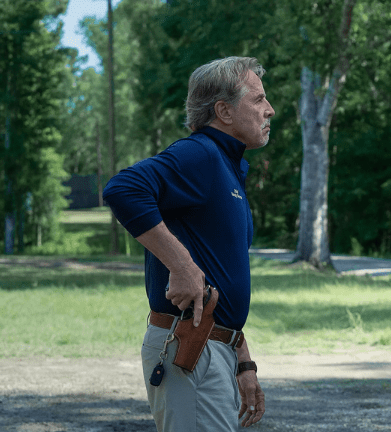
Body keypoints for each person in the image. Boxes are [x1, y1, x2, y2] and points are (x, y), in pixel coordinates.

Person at [103, 56, 275, 431]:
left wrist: (242, 359)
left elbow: (221, 273)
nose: (270, 109)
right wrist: (181, 266)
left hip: (213, 347)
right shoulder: (201, 153)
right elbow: (123, 189)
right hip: (191, 348)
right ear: (223, 111)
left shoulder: (226, 165)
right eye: (258, 99)